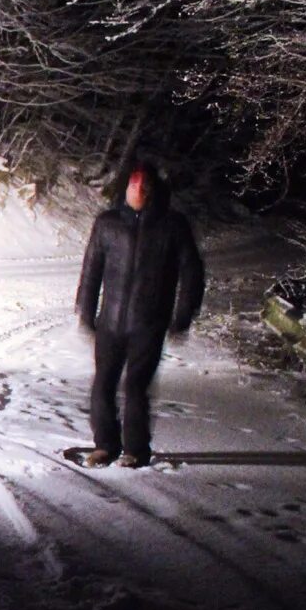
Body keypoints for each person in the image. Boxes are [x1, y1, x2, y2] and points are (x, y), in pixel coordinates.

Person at [74, 159, 206, 467]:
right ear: (126, 188)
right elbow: (91, 269)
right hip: (110, 322)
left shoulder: (172, 225)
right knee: (103, 384)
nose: (139, 189)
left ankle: (136, 450)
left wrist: (182, 315)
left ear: (154, 190)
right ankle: (105, 446)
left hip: (148, 323)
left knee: (135, 387)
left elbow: (192, 273)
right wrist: (86, 310)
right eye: (134, 184)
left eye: (145, 185)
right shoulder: (108, 223)